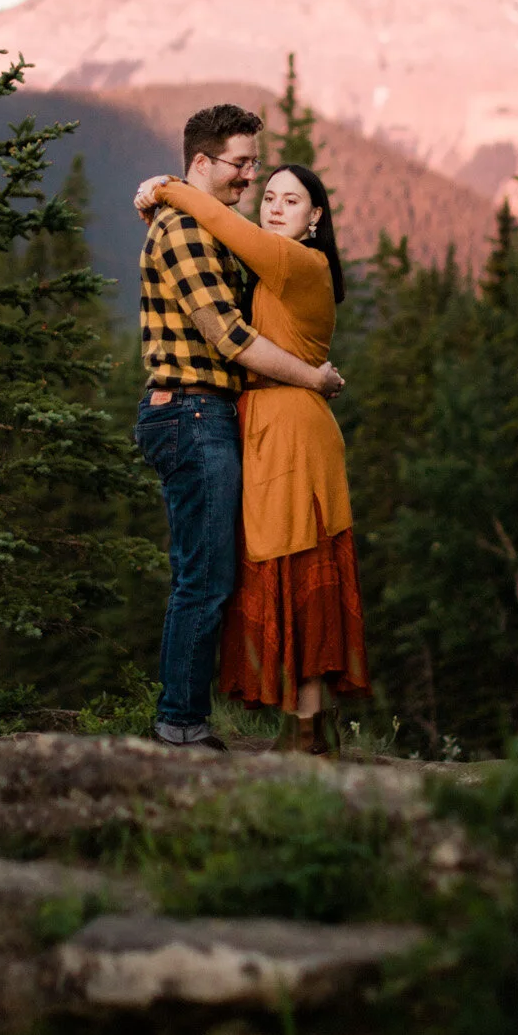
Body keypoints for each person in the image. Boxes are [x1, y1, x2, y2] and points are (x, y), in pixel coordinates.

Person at [135, 159, 368, 755]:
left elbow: (218, 219)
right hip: (265, 423)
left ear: (316, 218)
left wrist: (165, 189)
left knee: (302, 569)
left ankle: (310, 729)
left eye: (292, 201)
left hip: (292, 425)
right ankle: (309, 725)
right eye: (269, 197)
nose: (273, 207)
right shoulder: (273, 267)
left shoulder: (299, 262)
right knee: (276, 568)